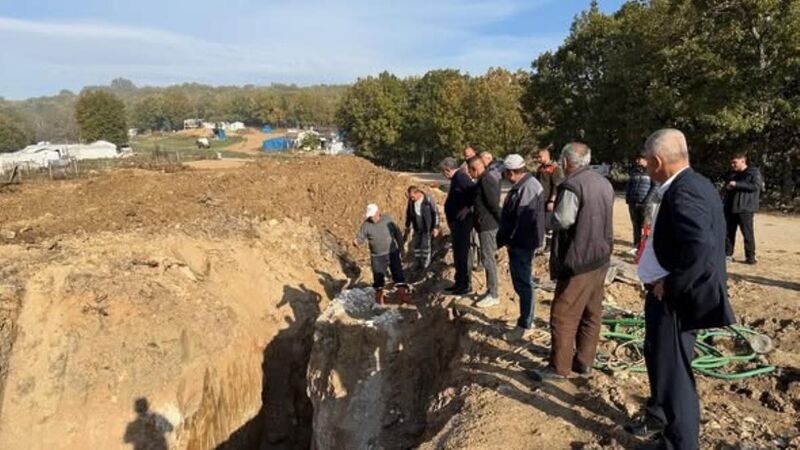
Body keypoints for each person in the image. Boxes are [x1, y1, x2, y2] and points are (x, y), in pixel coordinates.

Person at [627, 129, 736, 449]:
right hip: (670, 295)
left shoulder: (684, 190)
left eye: (647, 160)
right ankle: (659, 415)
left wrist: (671, 284)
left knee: (676, 378)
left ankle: (680, 443)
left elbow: (701, 247)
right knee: (661, 361)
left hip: (675, 299)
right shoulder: (694, 183)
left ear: (658, 161)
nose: (645, 165)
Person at [528, 142, 614, 381]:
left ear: (566, 162)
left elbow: (563, 220)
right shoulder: (603, 183)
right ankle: (584, 362)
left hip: (579, 260)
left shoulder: (572, 185)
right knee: (591, 313)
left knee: (563, 315)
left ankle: (559, 368)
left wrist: (547, 221)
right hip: (600, 258)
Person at [496, 154, 545, 341]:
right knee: (522, 283)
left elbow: (522, 221)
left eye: (505, 172)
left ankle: (526, 324)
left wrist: (507, 240)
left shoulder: (529, 188)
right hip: (518, 242)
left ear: (510, 172)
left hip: (522, 244)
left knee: (524, 284)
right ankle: (526, 319)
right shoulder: (523, 186)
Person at [354, 204, 411, 304]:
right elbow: (361, 237)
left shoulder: (387, 219)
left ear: (378, 212)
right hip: (377, 256)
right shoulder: (366, 225)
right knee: (378, 277)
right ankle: (379, 297)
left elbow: (397, 233)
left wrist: (401, 248)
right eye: (369, 216)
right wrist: (357, 241)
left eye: (372, 216)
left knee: (398, 273)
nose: (371, 218)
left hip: (392, 252)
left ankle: (403, 294)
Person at [467, 157, 502, 308]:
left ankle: (493, 294)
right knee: (486, 258)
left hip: (488, 226)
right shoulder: (482, 180)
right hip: (483, 225)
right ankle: (490, 290)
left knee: (488, 259)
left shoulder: (486, 180)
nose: (470, 174)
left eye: (470, 171)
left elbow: (494, 205)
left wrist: (503, 224)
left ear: (474, 168)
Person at [440, 157, 476, 295]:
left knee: (462, 254)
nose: (443, 175)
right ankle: (459, 282)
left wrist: (465, 210)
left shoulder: (461, 177)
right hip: (457, 223)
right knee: (458, 254)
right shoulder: (457, 179)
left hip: (462, 223)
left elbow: (473, 193)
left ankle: (464, 285)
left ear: (448, 170)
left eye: (443, 172)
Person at [724, 153, 763, 264]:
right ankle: (727, 255)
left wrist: (737, 184)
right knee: (728, 233)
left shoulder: (753, 172)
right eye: (731, 162)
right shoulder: (732, 174)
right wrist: (728, 187)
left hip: (745, 208)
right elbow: (728, 188)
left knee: (747, 233)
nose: (732, 165)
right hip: (731, 208)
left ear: (743, 161)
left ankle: (750, 257)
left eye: (735, 162)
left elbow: (755, 186)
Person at [626, 154, 658, 253]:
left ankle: (647, 246)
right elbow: (629, 186)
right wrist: (628, 199)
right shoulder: (633, 172)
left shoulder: (651, 171)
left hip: (646, 204)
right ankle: (636, 245)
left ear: (646, 160)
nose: (638, 161)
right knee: (636, 225)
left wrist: (648, 200)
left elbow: (655, 187)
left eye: (640, 159)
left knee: (647, 226)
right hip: (634, 203)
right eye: (637, 159)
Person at [404, 186, 441, 270]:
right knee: (416, 246)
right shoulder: (411, 202)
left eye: (412, 197)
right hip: (417, 228)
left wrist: (436, 227)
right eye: (410, 197)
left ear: (417, 193)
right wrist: (407, 226)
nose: (411, 199)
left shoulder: (427, 200)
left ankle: (425, 265)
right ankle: (417, 263)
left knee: (426, 247)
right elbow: (409, 215)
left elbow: (435, 213)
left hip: (427, 227)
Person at [535, 147, 565, 213]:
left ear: (546, 156)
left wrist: (552, 201)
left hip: (549, 201)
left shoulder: (554, 168)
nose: (538, 159)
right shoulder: (540, 169)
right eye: (537, 157)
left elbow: (556, 186)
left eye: (540, 157)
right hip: (540, 199)